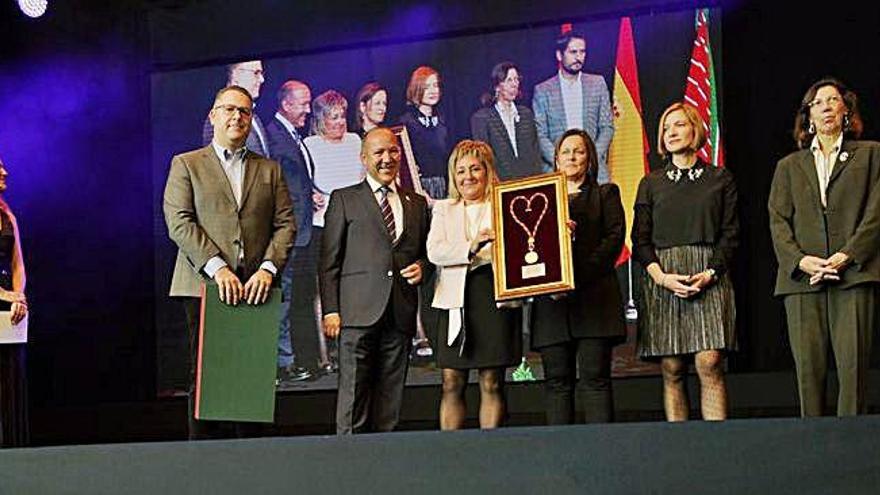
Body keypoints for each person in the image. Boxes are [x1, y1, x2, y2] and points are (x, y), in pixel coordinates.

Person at [164, 85, 296, 439]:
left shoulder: (269, 169)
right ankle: (203, 465)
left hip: (256, 288)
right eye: (229, 110)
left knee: (250, 381)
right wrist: (217, 267)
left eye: (244, 111)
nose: (237, 117)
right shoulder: (186, 164)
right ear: (213, 115)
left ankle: (251, 468)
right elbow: (179, 221)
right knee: (206, 378)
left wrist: (268, 270)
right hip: (202, 286)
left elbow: (286, 225)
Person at [768, 77, 880, 417]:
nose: (826, 106)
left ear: (846, 110)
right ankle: (812, 452)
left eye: (833, 100)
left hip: (854, 275)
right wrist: (801, 261)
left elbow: (877, 212)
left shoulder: (872, 154)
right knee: (808, 373)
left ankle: (849, 451)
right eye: (818, 102)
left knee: (853, 370)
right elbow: (777, 220)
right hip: (804, 281)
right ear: (808, 115)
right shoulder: (788, 166)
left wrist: (847, 255)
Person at [319, 127, 429, 434]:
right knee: (353, 399)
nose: (387, 158)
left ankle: (386, 466)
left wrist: (423, 266)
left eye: (393, 151)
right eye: (378, 152)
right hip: (356, 314)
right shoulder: (343, 199)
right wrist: (331, 310)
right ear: (364, 158)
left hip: (400, 312)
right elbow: (328, 261)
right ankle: (350, 467)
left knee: (391, 402)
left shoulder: (416, 203)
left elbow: (426, 254)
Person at [632, 102, 737, 422]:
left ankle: (716, 443)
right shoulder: (651, 182)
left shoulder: (719, 178)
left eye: (679, 125)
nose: (671, 132)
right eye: (666, 128)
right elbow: (640, 240)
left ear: (696, 129)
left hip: (708, 273)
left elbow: (730, 234)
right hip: (664, 277)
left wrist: (710, 273)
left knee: (709, 362)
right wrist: (662, 278)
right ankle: (679, 446)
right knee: (672, 367)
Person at [531, 129, 625, 424]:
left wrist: (572, 278)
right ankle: (561, 462)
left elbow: (613, 241)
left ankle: (600, 459)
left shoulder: (605, 194)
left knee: (594, 379)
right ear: (555, 158)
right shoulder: (536, 201)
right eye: (565, 151)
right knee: (556, 383)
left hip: (594, 301)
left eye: (579, 151)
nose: (572, 157)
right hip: (552, 308)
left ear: (590, 158)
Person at [427, 140, 522, 429]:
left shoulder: (505, 203)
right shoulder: (444, 209)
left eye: (475, 169)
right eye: (461, 171)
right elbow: (435, 252)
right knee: (451, 381)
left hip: (493, 296)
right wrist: (471, 246)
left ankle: (488, 450)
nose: (468, 176)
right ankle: (450, 451)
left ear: (488, 171)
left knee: (491, 381)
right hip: (455, 298)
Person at [265, 80, 318, 383]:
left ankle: (290, 359)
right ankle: (281, 363)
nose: (308, 110)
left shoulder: (291, 135)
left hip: (303, 230)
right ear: (286, 104)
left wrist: (311, 194)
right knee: (282, 299)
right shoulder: (273, 136)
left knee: (294, 299)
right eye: (304, 104)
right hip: (288, 231)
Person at [532, 31, 614, 182]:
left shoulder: (597, 83)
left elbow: (607, 127)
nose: (579, 57)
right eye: (573, 52)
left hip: (594, 171)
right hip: (557, 172)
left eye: (582, 52)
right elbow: (540, 134)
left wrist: (591, 157)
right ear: (559, 55)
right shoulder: (543, 90)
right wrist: (560, 161)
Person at [470, 62, 542, 179]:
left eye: (516, 79)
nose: (515, 84)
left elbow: (535, 153)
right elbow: (484, 158)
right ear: (497, 86)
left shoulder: (526, 114)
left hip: (528, 181)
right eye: (509, 80)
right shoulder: (482, 118)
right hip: (499, 184)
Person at [304, 90, 364, 230]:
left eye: (342, 116)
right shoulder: (310, 144)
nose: (340, 122)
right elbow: (305, 182)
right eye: (334, 117)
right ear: (321, 119)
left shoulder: (354, 140)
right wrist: (312, 195)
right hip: (324, 219)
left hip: (357, 215)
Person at [0, 158, 28, 448]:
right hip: (3, 299)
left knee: (11, 377)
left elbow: (18, 263)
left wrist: (18, 296)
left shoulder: (7, 213)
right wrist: (5, 295)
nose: (5, 171)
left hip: (10, 308)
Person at [399, 66, 450, 201]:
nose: (433, 91)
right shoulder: (407, 123)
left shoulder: (443, 121)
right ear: (417, 88)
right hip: (420, 187)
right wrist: (419, 189)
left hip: (445, 184)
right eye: (427, 87)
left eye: (435, 85)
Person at [202, 60, 269, 156]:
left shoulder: (255, 117)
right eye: (256, 73)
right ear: (235, 75)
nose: (262, 79)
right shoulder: (219, 117)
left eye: (262, 73)